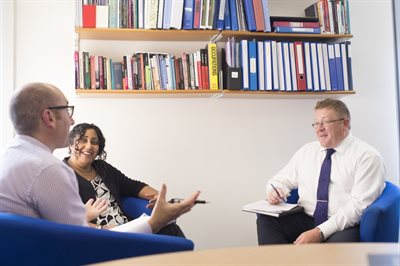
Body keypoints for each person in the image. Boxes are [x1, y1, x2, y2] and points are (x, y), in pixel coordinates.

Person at [0, 82, 200, 235]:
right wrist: (155, 221)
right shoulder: (49, 170)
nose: (71, 120)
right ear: (49, 117)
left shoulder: (13, 154)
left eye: (94, 142)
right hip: (89, 248)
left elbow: (130, 185)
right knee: (167, 226)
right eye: (67, 110)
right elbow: (81, 241)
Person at [257, 98, 386, 245]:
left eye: (325, 122)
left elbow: (358, 207)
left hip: (343, 224)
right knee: (266, 220)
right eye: (316, 123)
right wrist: (275, 191)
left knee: (338, 248)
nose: (319, 128)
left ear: (345, 123)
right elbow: (280, 180)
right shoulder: (307, 151)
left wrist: (320, 232)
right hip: (306, 218)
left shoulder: (367, 157)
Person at [64, 122, 187, 236]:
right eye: (83, 140)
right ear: (71, 143)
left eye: (94, 142)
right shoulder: (62, 174)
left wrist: (157, 196)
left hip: (126, 228)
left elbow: (133, 186)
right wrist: (102, 229)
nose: (89, 146)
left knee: (171, 229)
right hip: (101, 235)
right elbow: (64, 220)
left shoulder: (103, 168)